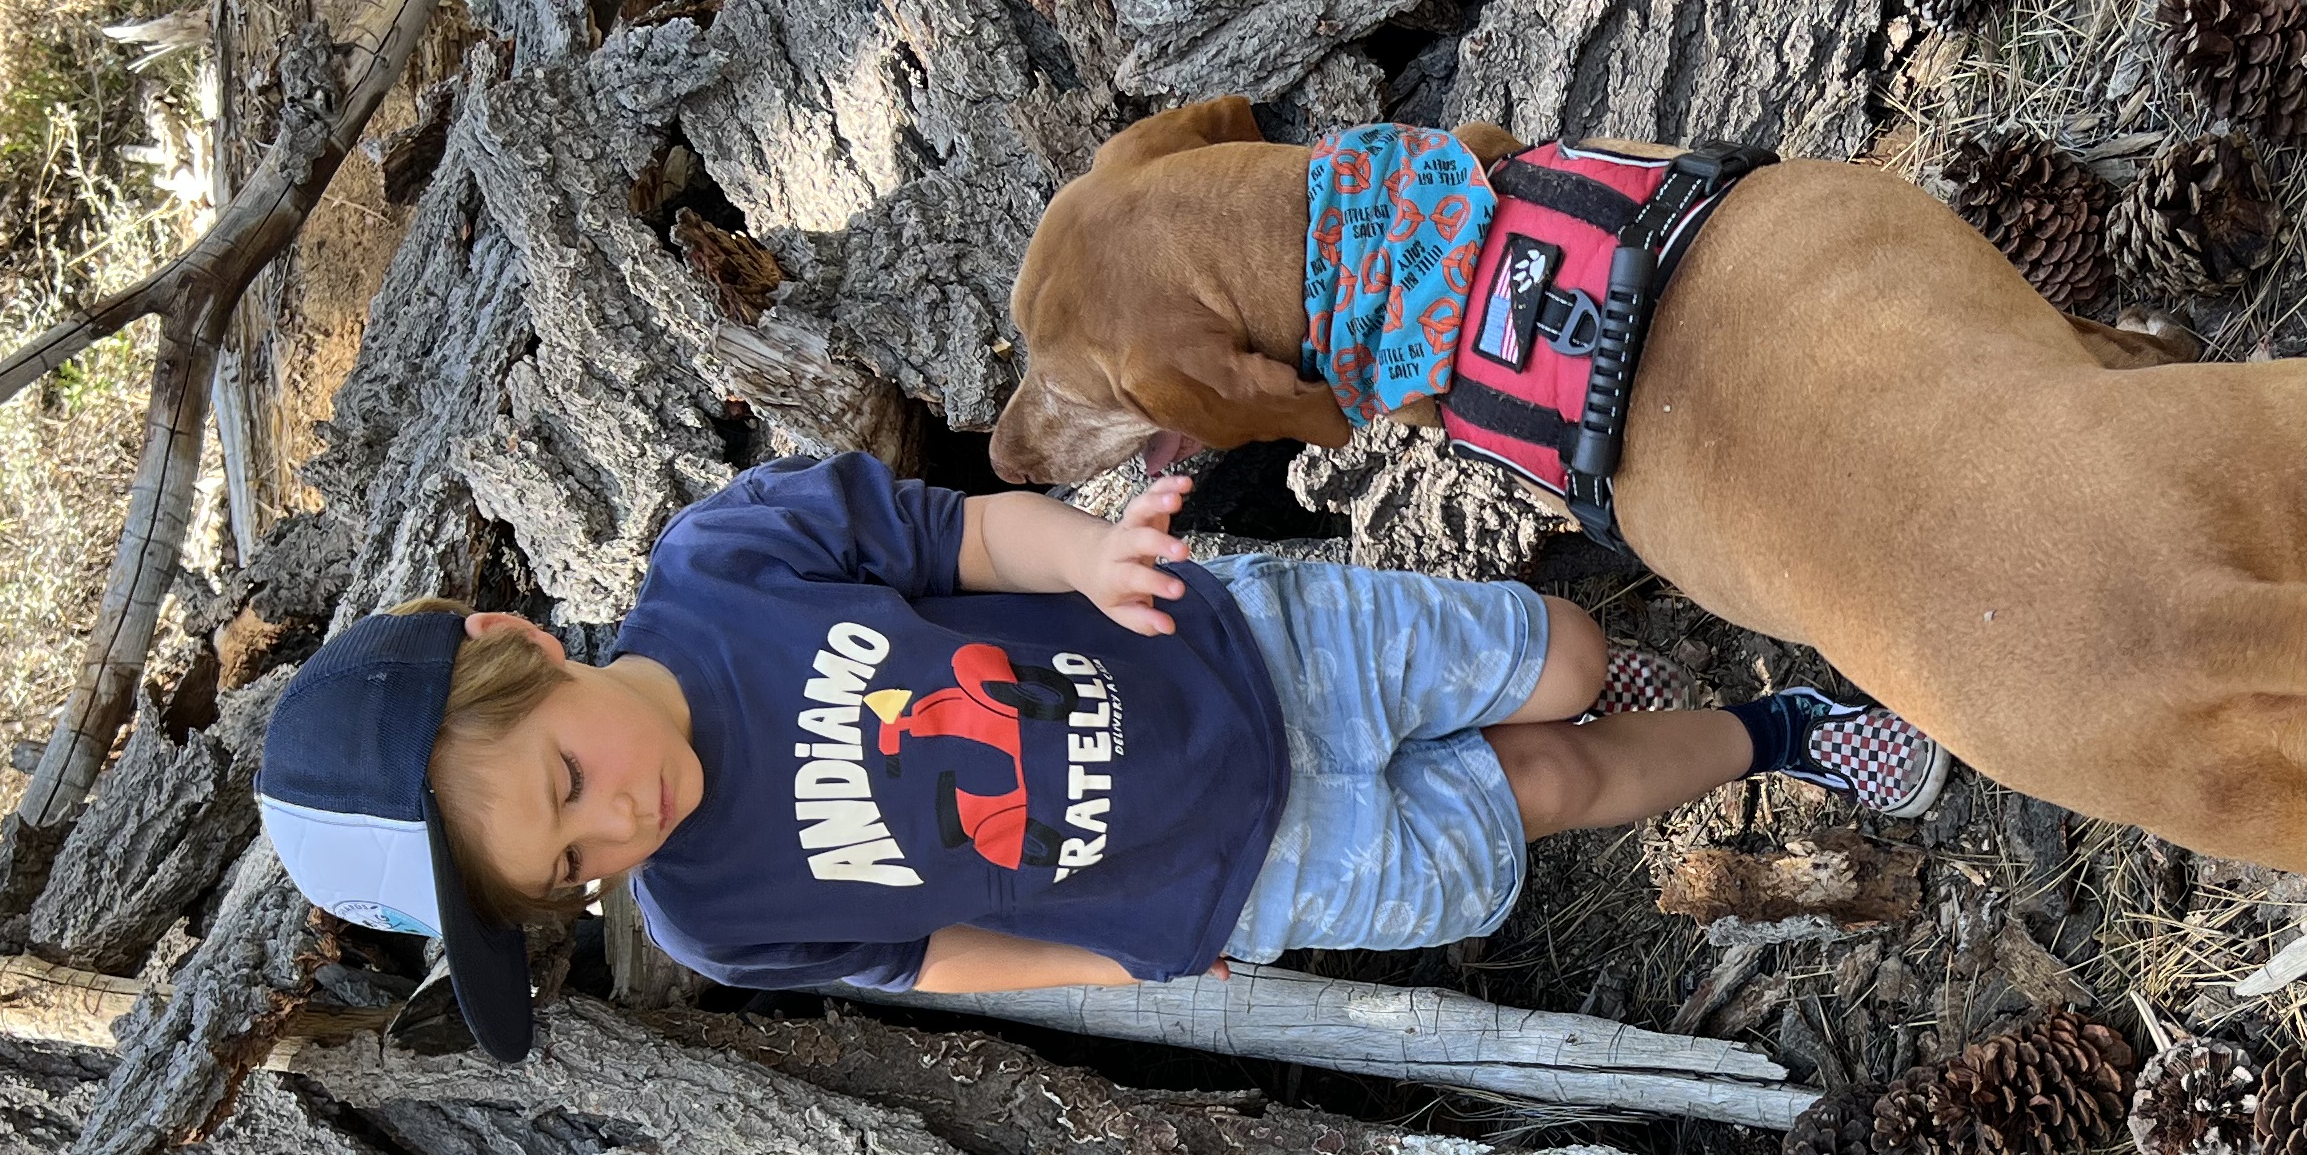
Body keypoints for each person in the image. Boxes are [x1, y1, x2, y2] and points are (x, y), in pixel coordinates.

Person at [252, 450, 1947, 1063]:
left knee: (1560, 656)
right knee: (1547, 794)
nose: (614, 826)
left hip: (1234, 650)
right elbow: (936, 957)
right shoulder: (710, 916)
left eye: (565, 781)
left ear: (517, 649)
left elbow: (948, 537)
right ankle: (1772, 733)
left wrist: (1080, 557)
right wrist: (1132, 962)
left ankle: (1612, 670)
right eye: (568, 872)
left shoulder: (726, 565)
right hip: (1244, 876)